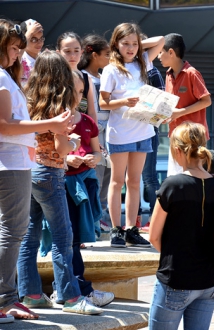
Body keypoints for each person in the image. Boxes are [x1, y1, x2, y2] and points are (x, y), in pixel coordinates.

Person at [16, 50, 102, 315]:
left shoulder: (28, 99)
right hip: (51, 173)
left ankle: (30, 294)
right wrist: (75, 142)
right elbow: (61, 146)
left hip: (30, 170)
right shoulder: (60, 106)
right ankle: (70, 297)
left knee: (28, 238)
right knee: (64, 237)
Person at [0, 18, 73, 322]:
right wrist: (52, 125)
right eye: (14, 47)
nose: (19, 53)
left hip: (18, 163)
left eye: (19, 48)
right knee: (13, 233)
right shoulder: (3, 79)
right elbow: (4, 126)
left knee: (17, 234)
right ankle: (5, 299)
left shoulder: (7, 78)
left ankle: (10, 297)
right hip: (11, 164)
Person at [49, 70, 114, 307]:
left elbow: (97, 151)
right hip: (60, 183)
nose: (77, 96)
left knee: (74, 238)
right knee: (67, 238)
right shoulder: (55, 118)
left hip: (83, 185)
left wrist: (94, 158)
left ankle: (71, 289)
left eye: (80, 91)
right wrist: (67, 161)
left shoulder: (87, 121)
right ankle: (75, 289)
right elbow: (49, 152)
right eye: (72, 90)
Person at [148, 122, 214, 330]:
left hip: (176, 279)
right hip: (210, 281)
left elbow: (153, 236)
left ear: (177, 150)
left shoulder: (173, 185)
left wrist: (176, 255)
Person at [99, 22, 164, 248]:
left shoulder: (143, 61)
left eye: (134, 44)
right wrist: (123, 102)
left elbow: (161, 40)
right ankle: (116, 229)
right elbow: (102, 102)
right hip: (119, 133)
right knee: (117, 182)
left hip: (143, 130)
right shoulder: (110, 69)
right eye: (125, 43)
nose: (130, 48)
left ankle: (131, 229)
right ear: (116, 44)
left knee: (134, 182)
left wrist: (136, 42)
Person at [157, 33, 211, 177]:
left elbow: (207, 101)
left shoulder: (192, 73)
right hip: (175, 136)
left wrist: (180, 112)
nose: (158, 56)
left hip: (194, 139)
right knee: (175, 178)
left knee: (193, 179)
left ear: (171, 52)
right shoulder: (168, 74)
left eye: (160, 52)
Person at [78, 34, 112, 231]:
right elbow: (83, 108)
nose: (109, 58)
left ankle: (102, 216)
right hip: (93, 134)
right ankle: (92, 221)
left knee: (108, 176)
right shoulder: (83, 77)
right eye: (106, 54)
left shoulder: (105, 76)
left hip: (110, 134)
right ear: (93, 54)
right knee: (96, 177)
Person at [137, 32, 165, 231]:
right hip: (129, 130)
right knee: (132, 178)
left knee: (148, 176)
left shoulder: (152, 73)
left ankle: (155, 220)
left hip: (148, 130)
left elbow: (162, 110)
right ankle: (136, 219)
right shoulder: (127, 71)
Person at [56, 31, 97, 123]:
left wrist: (94, 134)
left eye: (76, 51)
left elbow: (91, 112)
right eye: (67, 51)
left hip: (82, 129)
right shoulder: (54, 77)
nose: (73, 55)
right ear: (58, 53)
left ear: (81, 52)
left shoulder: (87, 79)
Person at [19, 18, 43, 86]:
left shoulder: (45, 57)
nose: (39, 43)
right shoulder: (19, 58)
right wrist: (30, 33)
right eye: (33, 39)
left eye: (41, 38)